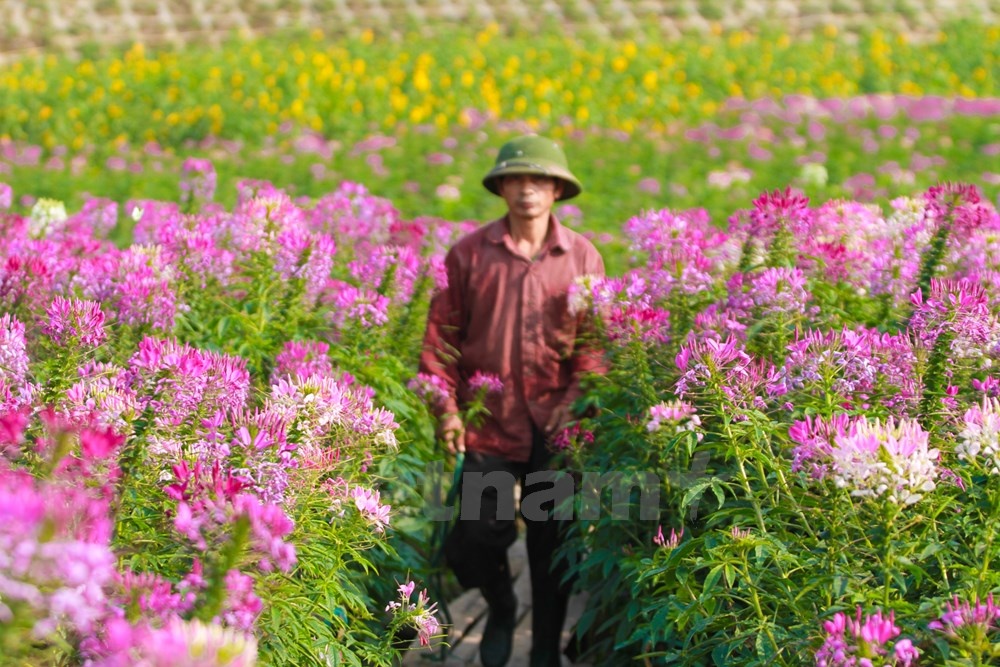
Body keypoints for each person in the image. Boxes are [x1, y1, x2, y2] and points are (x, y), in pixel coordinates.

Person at [419, 134, 605, 667]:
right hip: (488, 424)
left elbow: (595, 342)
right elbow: (441, 341)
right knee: (475, 537)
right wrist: (447, 410)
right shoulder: (469, 254)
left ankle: (545, 646)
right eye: (518, 179)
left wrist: (579, 396)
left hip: (557, 424)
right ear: (501, 187)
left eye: (540, 180)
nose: (528, 189)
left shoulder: (582, 256)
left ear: (556, 191)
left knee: (553, 544)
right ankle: (501, 606)